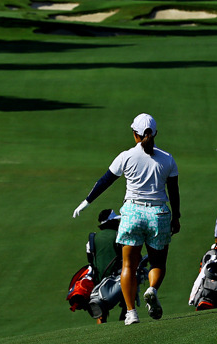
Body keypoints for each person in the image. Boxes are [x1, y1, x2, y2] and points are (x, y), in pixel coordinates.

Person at [74, 113, 180, 325]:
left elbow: (104, 181)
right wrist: (176, 217)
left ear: (135, 135)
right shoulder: (167, 159)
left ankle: (131, 313)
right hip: (158, 214)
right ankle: (151, 290)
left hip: (132, 214)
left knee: (128, 265)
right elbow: (174, 192)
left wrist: (85, 202)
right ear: (155, 133)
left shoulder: (126, 157)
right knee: (158, 263)